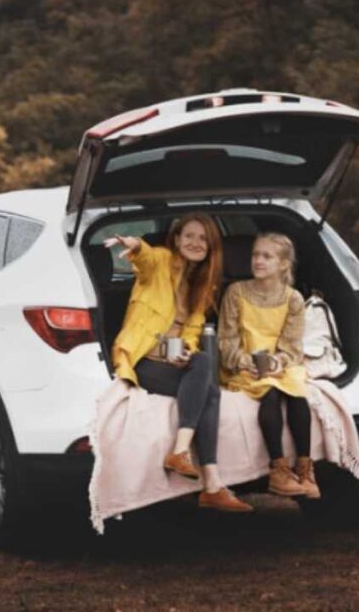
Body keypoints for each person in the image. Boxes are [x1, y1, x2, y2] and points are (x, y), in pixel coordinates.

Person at [104, 214, 253, 512]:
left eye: (203, 239)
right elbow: (144, 260)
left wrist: (186, 350)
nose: (196, 243)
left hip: (171, 363)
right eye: (189, 236)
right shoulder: (160, 261)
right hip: (142, 359)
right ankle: (197, 469)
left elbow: (192, 334)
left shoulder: (202, 287)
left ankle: (207, 479)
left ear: (211, 247)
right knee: (207, 382)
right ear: (176, 239)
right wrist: (135, 246)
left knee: (204, 373)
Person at [218, 232, 321, 498]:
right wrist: (244, 361)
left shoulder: (293, 299)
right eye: (255, 255)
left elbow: (292, 346)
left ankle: (306, 470)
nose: (258, 261)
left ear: (284, 264)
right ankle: (278, 470)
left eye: (267, 256)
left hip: (279, 364)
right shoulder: (236, 292)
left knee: (298, 393)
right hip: (244, 366)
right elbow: (226, 341)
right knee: (270, 392)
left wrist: (278, 361)